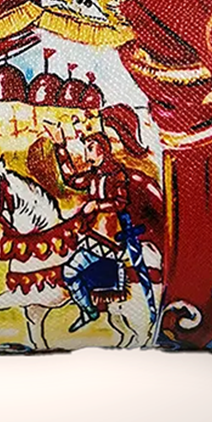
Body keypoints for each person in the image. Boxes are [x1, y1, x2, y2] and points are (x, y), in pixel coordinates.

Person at [46, 108, 162, 332]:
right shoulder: (94, 175)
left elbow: (120, 202)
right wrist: (60, 146)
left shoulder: (116, 174)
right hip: (94, 233)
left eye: (90, 148)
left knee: (69, 271)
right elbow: (71, 179)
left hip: (108, 235)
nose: (86, 152)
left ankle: (88, 311)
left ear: (102, 149)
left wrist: (96, 205)